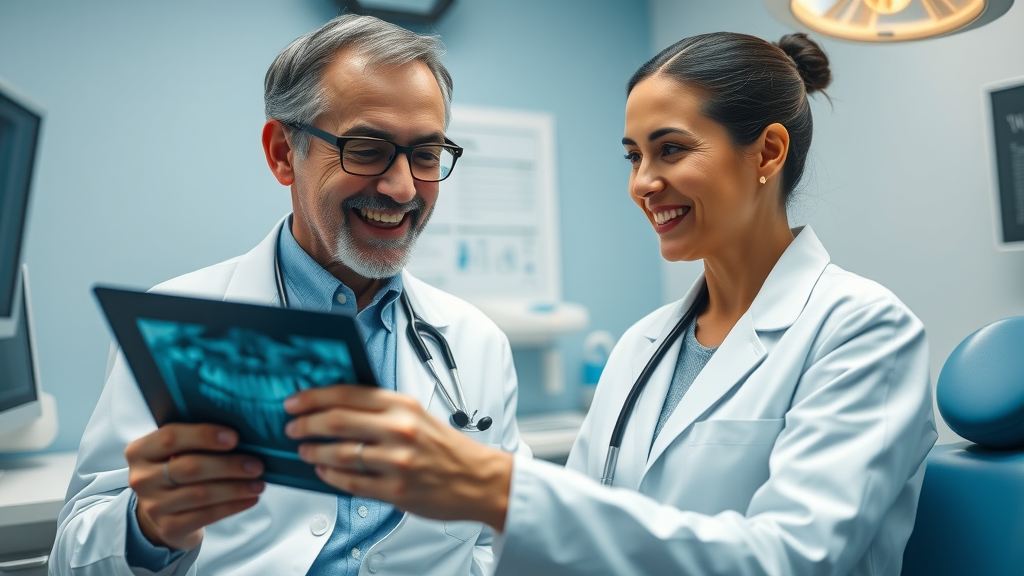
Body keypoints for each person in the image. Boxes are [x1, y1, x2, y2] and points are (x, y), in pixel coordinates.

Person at [280, 32, 938, 575]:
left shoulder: (862, 330)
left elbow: (793, 561)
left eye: (671, 149)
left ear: (766, 152)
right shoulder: (643, 345)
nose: (643, 184)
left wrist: (500, 490)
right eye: (633, 156)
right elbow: (577, 545)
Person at [50, 14, 528, 576]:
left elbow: (496, 543)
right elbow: (71, 560)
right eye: (367, 148)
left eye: (425, 155)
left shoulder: (477, 344)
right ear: (283, 152)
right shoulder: (182, 324)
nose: (402, 188)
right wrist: (149, 527)